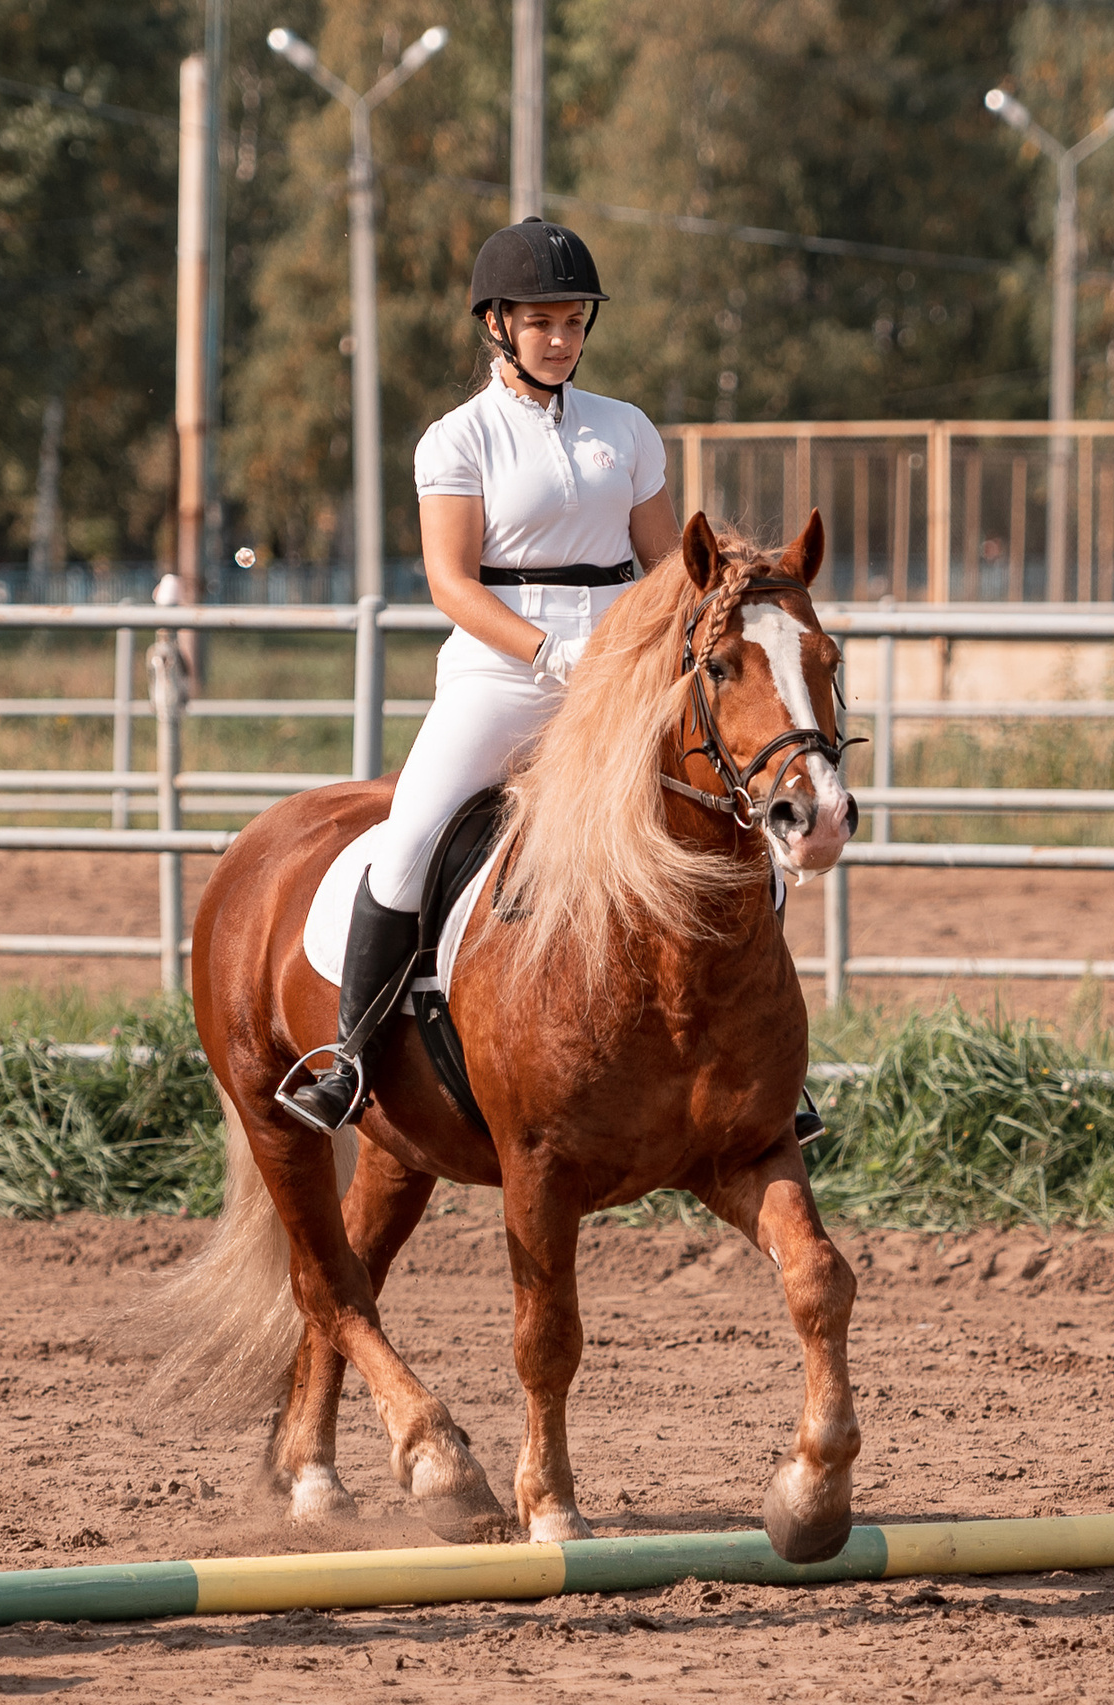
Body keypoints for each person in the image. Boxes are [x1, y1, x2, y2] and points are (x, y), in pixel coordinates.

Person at [279, 216, 680, 1134]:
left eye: (576, 322)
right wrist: (548, 651)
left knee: (717, 818)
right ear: (496, 324)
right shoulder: (456, 439)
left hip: (618, 675)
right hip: (503, 674)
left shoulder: (627, 429)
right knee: (411, 837)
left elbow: (665, 566)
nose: (564, 340)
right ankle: (348, 1057)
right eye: (543, 322)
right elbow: (451, 581)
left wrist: (647, 651)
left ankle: (765, 1059)